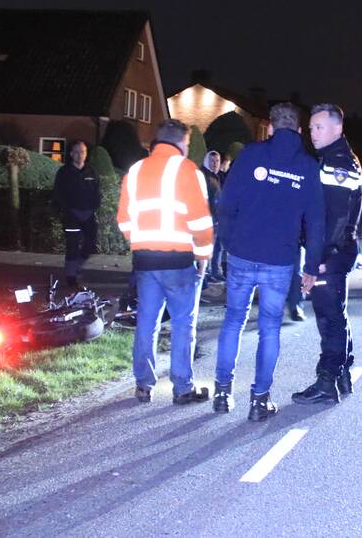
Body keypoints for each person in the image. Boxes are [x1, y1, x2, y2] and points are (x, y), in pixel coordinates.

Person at [214, 103, 325, 421]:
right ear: (300, 131)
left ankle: (223, 392)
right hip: (279, 260)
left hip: (243, 254)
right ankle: (259, 400)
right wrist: (310, 267)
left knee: (233, 321)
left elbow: (227, 203)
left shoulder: (249, 156)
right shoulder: (307, 167)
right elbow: (315, 222)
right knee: (269, 328)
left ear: (272, 128)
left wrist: (229, 243)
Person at [117, 119, 214, 405]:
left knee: (147, 322)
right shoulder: (187, 170)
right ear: (181, 143)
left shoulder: (134, 171)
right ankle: (182, 387)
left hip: (145, 261)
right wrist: (203, 256)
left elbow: (123, 218)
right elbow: (200, 221)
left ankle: (143, 385)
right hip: (179, 261)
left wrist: (141, 242)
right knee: (184, 323)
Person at [292, 103, 362, 405]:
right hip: (338, 251)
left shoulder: (337, 164)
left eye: (319, 127)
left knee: (329, 319)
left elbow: (335, 218)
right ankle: (342, 372)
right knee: (337, 313)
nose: (313, 133)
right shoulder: (341, 158)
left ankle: (327, 381)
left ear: (337, 129)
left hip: (331, 254)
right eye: (310, 128)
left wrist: (317, 262)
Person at [52, 140, 100, 289]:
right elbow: (58, 194)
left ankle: (76, 266)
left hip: (88, 215)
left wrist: (94, 207)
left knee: (91, 244)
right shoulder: (64, 172)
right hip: (71, 215)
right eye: (77, 152)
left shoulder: (92, 172)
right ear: (72, 154)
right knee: (72, 246)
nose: (80, 155)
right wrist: (68, 210)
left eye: (83, 152)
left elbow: (97, 192)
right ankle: (71, 276)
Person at [201, 150, 224, 283]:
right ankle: (208, 272)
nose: (215, 164)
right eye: (212, 161)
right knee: (210, 246)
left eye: (217, 161)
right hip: (209, 218)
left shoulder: (216, 176)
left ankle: (215, 271)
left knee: (217, 247)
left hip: (217, 217)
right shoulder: (205, 176)